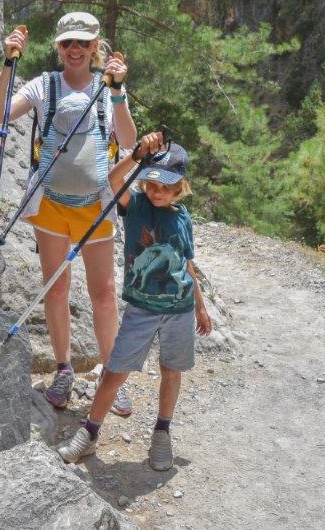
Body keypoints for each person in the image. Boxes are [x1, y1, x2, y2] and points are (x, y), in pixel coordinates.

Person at [0, 12, 138, 414]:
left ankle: (113, 376)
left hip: (96, 206)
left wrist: (119, 92)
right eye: (68, 43)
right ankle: (64, 370)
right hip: (50, 203)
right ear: (59, 47)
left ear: (95, 47)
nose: (75, 50)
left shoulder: (109, 89)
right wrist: (8, 62)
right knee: (56, 288)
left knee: (103, 293)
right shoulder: (43, 85)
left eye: (83, 43)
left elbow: (128, 140)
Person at [56, 131, 212, 471]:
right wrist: (137, 155)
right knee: (115, 371)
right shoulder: (136, 205)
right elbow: (111, 180)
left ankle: (162, 432)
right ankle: (90, 432)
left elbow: (187, 264)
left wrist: (200, 305)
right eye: (151, 183)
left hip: (180, 309)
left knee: (171, 371)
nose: (156, 191)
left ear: (179, 186)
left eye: (164, 186)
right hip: (142, 309)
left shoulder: (183, 217)